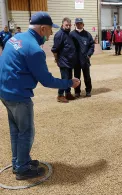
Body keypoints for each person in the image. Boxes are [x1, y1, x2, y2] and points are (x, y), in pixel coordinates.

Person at [0, 11, 80, 180]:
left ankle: (19, 161)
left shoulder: (14, 39)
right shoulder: (34, 49)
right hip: (18, 95)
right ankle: (22, 169)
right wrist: (69, 83)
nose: (51, 34)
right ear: (42, 28)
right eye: (50, 30)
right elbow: (46, 80)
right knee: (26, 131)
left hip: (5, 91)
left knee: (16, 130)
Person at [51, 17, 77, 103]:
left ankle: (68, 93)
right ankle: (60, 95)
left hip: (70, 61)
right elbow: (55, 49)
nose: (68, 26)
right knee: (64, 78)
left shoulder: (68, 34)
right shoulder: (59, 34)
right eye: (66, 25)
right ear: (62, 25)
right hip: (63, 61)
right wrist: (57, 59)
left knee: (69, 78)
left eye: (69, 25)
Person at [70, 18, 94, 98]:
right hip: (76, 60)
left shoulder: (88, 35)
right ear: (75, 25)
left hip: (85, 59)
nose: (79, 25)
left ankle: (88, 91)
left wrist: (89, 54)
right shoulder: (71, 34)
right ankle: (77, 92)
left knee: (87, 76)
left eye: (80, 23)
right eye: (77, 23)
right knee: (76, 77)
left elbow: (91, 45)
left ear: (83, 24)